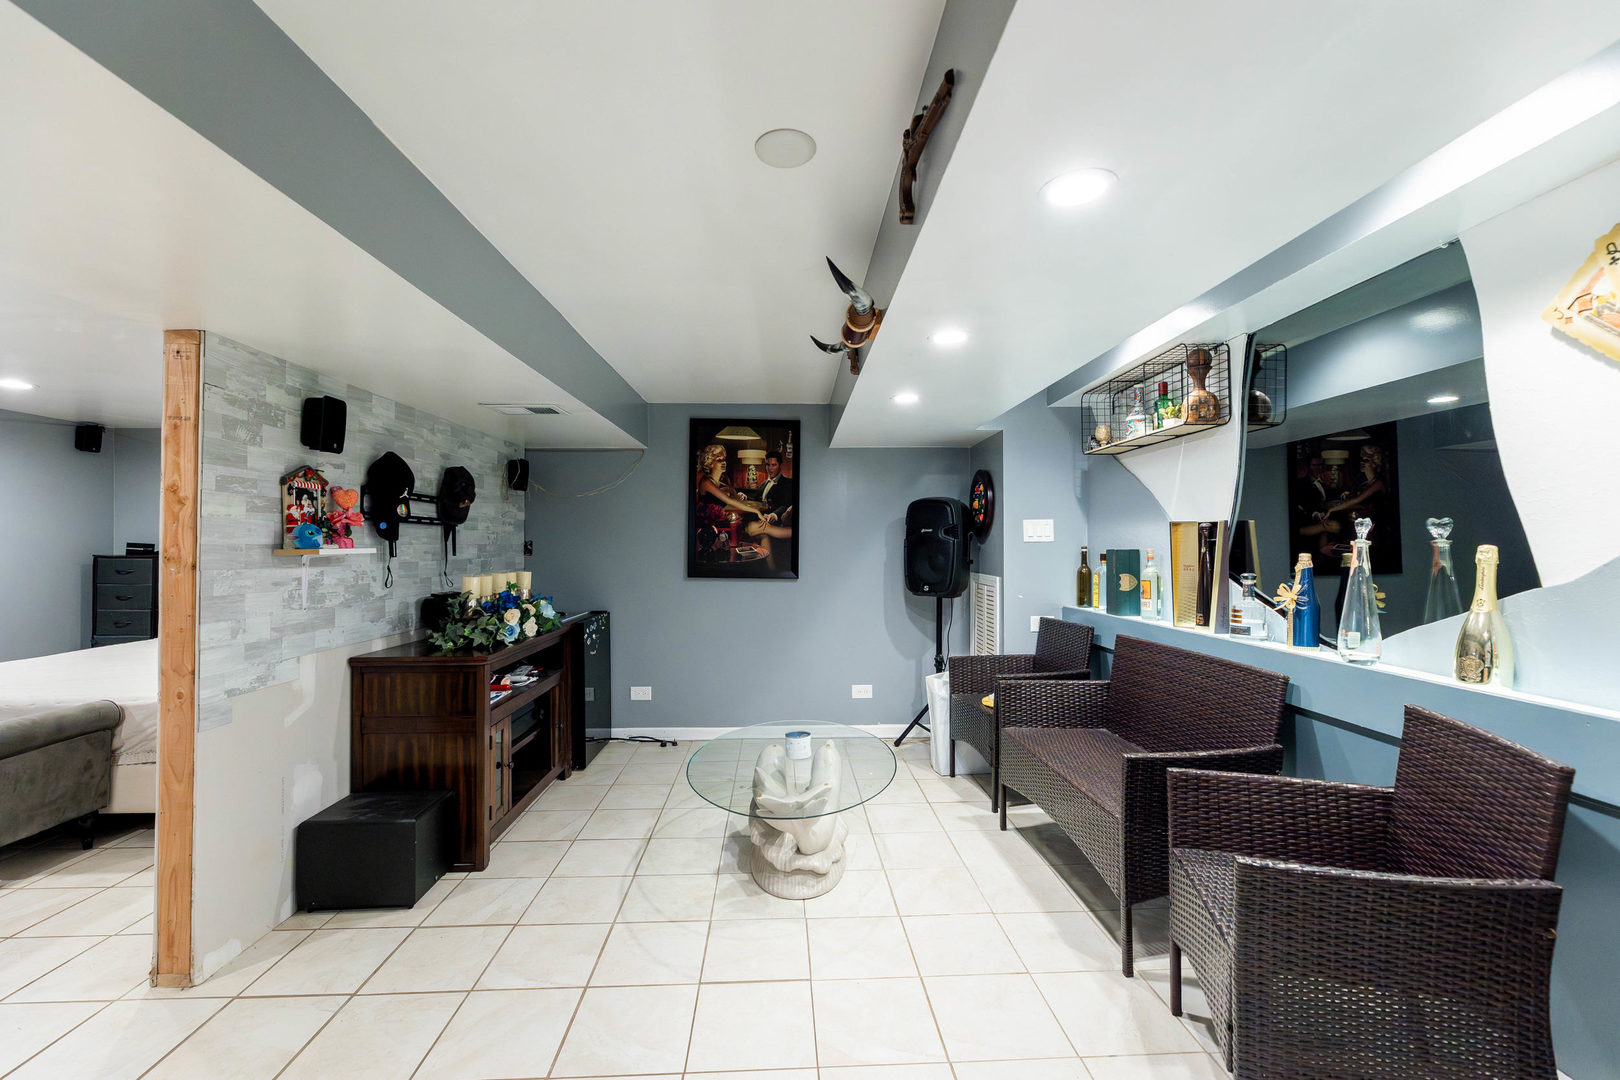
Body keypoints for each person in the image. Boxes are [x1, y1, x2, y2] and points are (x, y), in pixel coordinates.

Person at [694, 442, 764, 559]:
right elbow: (729, 501)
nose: (724, 462)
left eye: (724, 459)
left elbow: (732, 496)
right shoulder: (706, 482)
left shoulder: (719, 483)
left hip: (723, 528)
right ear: (710, 463)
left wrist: (736, 494)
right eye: (719, 460)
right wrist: (756, 511)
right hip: (709, 534)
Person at [748, 450, 794, 542]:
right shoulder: (765, 483)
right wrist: (745, 497)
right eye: (768, 465)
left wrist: (774, 515)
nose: (770, 468)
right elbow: (755, 499)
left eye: (773, 465)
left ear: (780, 465)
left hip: (776, 524)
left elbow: (785, 505)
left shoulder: (787, 483)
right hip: (761, 519)